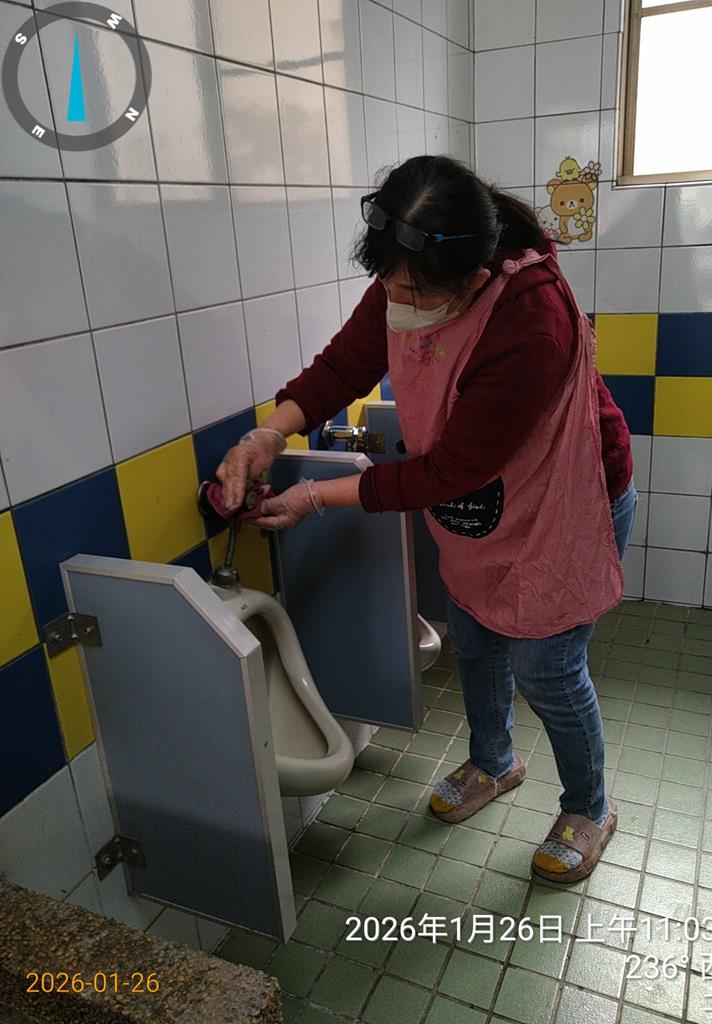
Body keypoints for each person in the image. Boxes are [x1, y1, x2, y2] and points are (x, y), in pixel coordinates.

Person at [216, 155, 637, 884]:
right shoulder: (410, 271)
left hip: (568, 501)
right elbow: (343, 366)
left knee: (546, 668)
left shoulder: (531, 319)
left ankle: (589, 807)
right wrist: (269, 433)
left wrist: (316, 496)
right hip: (486, 509)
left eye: (413, 292)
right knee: (475, 640)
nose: (397, 301)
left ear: (475, 275)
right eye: (389, 284)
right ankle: (494, 762)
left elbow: (450, 471)